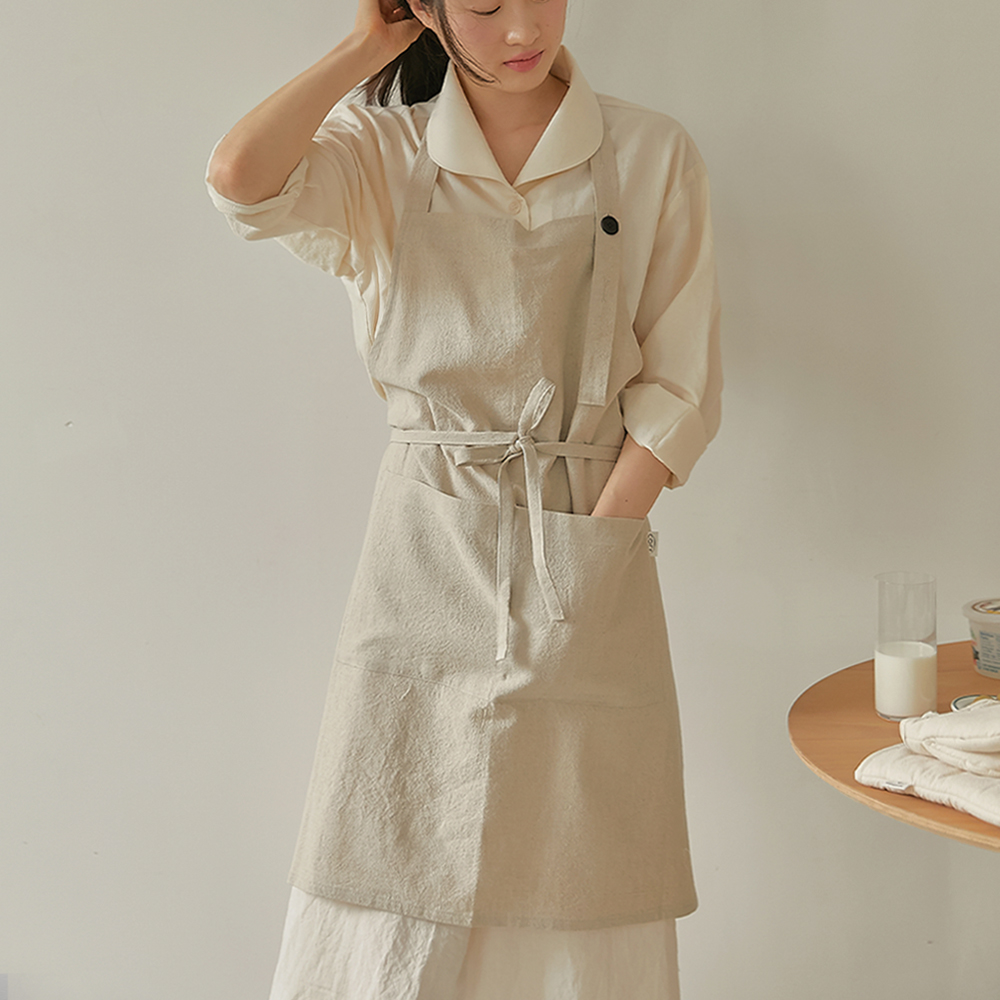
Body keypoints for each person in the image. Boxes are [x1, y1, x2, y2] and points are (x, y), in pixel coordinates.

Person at [206, 0, 721, 996]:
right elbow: (241, 182)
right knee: (389, 836)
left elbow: (679, 388)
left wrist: (593, 547)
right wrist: (368, 47)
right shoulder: (380, 153)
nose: (523, 29)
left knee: (581, 856)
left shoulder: (651, 152)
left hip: (584, 527)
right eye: (484, 5)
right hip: (424, 542)